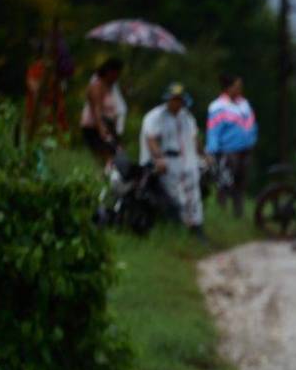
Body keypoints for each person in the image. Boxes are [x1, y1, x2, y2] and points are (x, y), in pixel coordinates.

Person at [140, 82, 206, 239]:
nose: (176, 103)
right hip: (167, 160)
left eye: (179, 99)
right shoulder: (156, 116)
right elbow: (151, 139)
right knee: (176, 196)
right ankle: (179, 229)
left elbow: (194, 137)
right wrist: (158, 158)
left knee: (193, 195)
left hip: (186, 160)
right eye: (174, 99)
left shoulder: (186, 116)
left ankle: (196, 228)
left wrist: (203, 155)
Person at [206, 73, 258, 218]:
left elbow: (252, 124)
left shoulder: (244, 104)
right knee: (225, 182)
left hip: (245, 150)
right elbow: (213, 130)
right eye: (237, 86)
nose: (240, 88)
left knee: (241, 183)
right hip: (228, 151)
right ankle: (222, 214)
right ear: (228, 88)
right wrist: (213, 151)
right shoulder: (218, 106)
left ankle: (238, 214)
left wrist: (252, 139)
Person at [79, 57, 124, 166]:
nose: (117, 77)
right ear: (109, 72)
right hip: (95, 127)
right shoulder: (96, 86)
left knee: (117, 154)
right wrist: (102, 129)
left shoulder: (111, 88)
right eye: (116, 73)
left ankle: (107, 177)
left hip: (108, 125)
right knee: (105, 156)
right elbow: (97, 109)